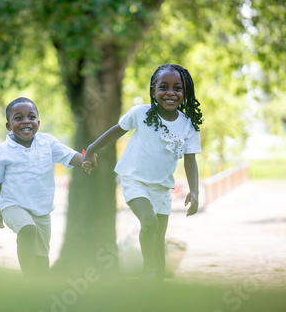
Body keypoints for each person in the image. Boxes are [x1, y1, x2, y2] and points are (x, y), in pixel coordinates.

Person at [83, 64, 203, 282]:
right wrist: (91, 150)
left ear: (185, 93)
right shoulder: (141, 114)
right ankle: (148, 268)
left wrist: (194, 190)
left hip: (162, 187)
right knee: (149, 222)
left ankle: (155, 284)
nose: (170, 93)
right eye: (163, 87)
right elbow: (115, 132)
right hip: (134, 180)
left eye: (177, 88)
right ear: (153, 90)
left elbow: (190, 159)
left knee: (158, 238)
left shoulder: (188, 125)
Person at [0, 97, 94, 277]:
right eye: (18, 118)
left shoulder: (47, 142)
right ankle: (28, 280)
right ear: (8, 125)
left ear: (38, 121)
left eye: (31, 117)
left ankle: (40, 288)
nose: (26, 121)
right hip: (13, 205)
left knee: (42, 257)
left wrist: (85, 160)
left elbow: (69, 155)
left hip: (42, 209)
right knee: (28, 230)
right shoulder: (2, 152)